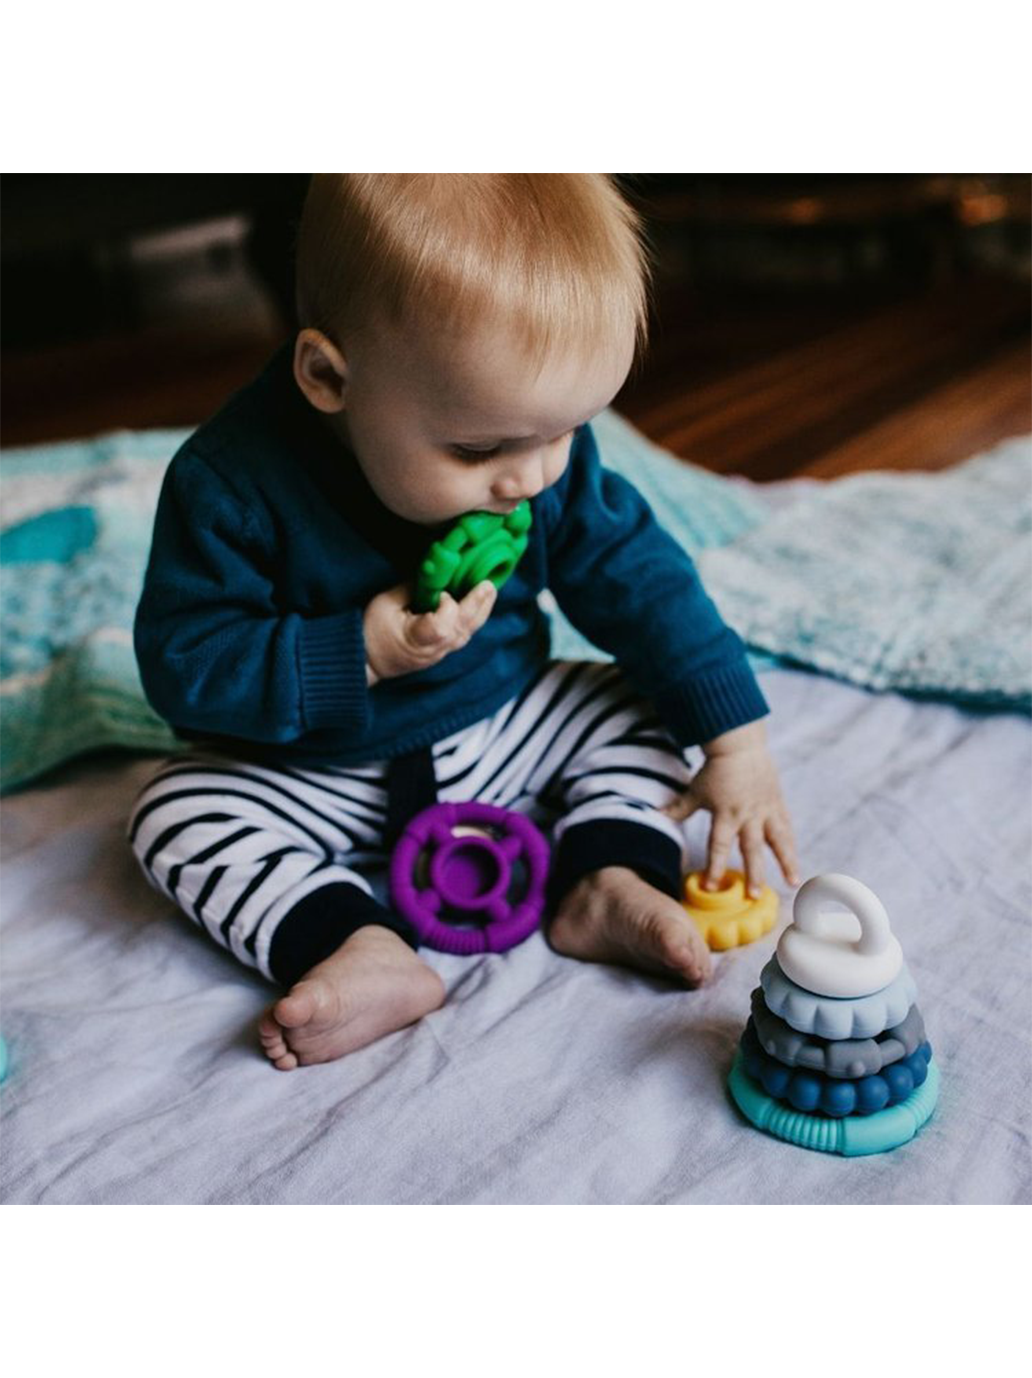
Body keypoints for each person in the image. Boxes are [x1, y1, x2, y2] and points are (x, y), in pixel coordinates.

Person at [128, 174, 799, 1071]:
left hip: (507, 724)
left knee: (638, 705)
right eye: (478, 450)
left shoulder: (534, 444)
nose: (526, 478)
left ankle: (607, 876)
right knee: (175, 815)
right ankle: (350, 941)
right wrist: (353, 652)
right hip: (320, 771)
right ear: (329, 376)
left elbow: (638, 578)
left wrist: (733, 742)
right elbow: (185, 665)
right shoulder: (229, 487)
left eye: (564, 432)